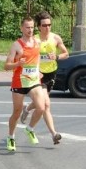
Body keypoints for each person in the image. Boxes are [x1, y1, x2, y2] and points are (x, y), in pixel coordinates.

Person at [20, 11, 68, 145]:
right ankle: (54, 134)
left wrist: (57, 57)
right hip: (38, 75)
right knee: (46, 104)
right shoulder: (34, 40)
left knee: (41, 103)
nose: (47, 28)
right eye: (44, 25)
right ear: (39, 27)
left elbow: (66, 53)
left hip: (51, 74)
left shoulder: (55, 38)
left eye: (49, 25)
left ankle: (27, 109)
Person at [4, 16, 47, 152]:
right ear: (21, 28)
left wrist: (38, 69)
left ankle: (30, 128)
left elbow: (38, 56)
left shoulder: (37, 42)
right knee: (16, 112)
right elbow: (6, 66)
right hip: (19, 81)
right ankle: (11, 136)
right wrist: (17, 63)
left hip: (33, 80)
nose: (30, 30)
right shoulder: (17, 45)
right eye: (27, 27)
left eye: (32, 27)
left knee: (41, 107)